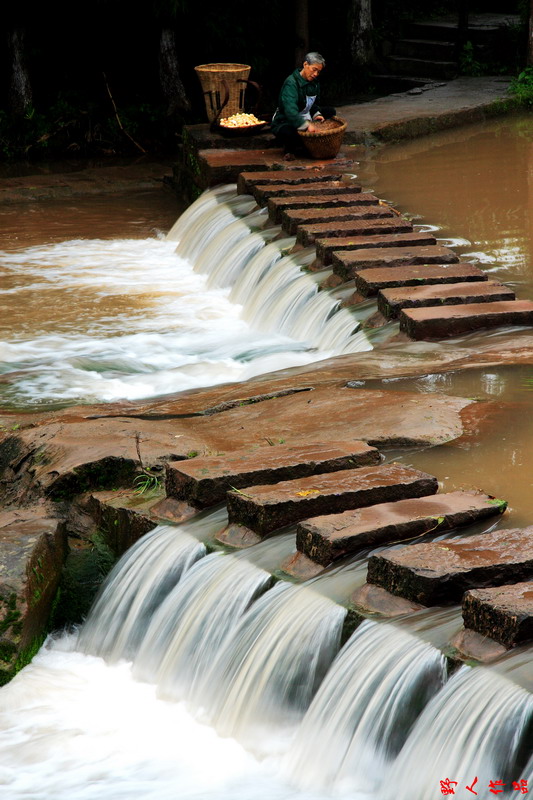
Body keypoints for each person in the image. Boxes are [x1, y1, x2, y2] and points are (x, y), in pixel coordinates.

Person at [271, 52, 336, 158]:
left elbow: (313, 103)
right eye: (314, 69)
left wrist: (316, 114)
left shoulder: (314, 83)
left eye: (318, 72)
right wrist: (306, 125)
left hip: (305, 114)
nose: (316, 74)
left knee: (331, 112)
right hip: (286, 120)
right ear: (305, 64)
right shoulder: (291, 83)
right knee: (290, 132)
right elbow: (290, 111)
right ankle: (290, 151)